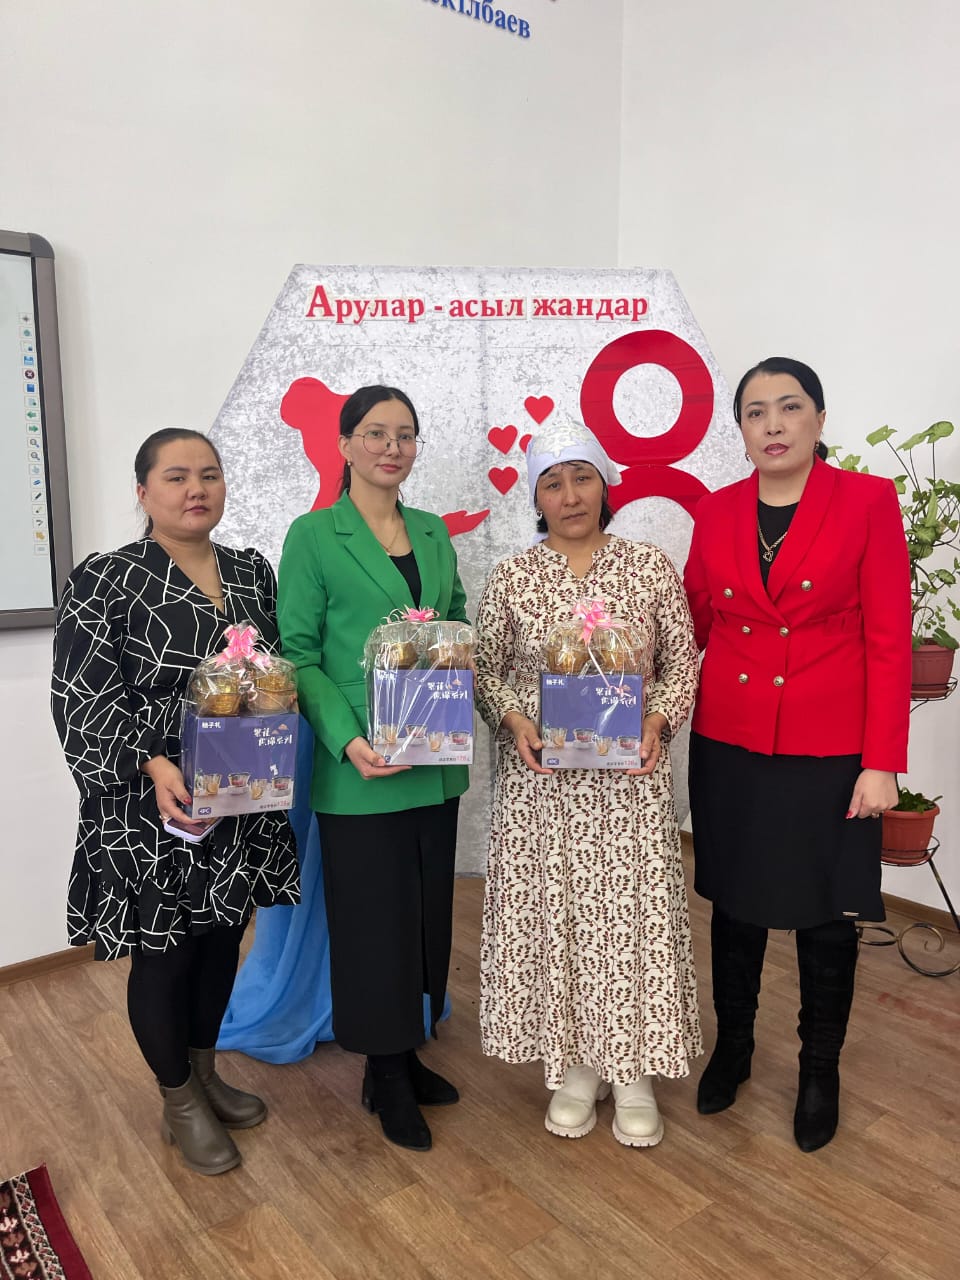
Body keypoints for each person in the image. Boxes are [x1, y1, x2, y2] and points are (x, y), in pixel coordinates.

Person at [51, 429, 300, 1176]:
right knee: (165, 953)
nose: (197, 489)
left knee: (223, 939)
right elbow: (82, 697)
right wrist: (156, 764)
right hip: (151, 801)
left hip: (238, 796)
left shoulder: (251, 572)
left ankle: (204, 1070)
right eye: (177, 476)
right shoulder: (106, 579)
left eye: (210, 475)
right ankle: (178, 1100)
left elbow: (274, 675)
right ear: (144, 491)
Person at [684, 356, 911, 1153]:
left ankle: (820, 1071)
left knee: (827, 914)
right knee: (736, 903)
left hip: (832, 746)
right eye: (756, 412)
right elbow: (695, 622)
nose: (773, 424)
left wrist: (882, 760)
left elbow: (890, 638)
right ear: (741, 430)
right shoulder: (715, 511)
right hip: (731, 739)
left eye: (789, 407)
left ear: (818, 418)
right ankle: (734, 1048)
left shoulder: (867, 501)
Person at [473, 421, 702, 1148]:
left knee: (630, 919)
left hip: (629, 783)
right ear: (536, 497)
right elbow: (485, 671)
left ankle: (631, 1072)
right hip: (543, 785)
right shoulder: (513, 576)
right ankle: (575, 1068)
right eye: (552, 483)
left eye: (581, 478)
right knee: (560, 918)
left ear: (605, 486)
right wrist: (514, 719)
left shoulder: (648, 567)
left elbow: (682, 663)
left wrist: (657, 721)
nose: (569, 496)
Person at [277, 385, 467, 1153]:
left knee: (423, 916)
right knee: (371, 922)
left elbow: (456, 619)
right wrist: (346, 738)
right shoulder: (314, 535)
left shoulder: (432, 531)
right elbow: (297, 654)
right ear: (345, 444)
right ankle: (383, 1072)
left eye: (406, 434)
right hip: (361, 761)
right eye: (377, 433)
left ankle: (407, 1048)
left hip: (434, 754)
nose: (393, 447)